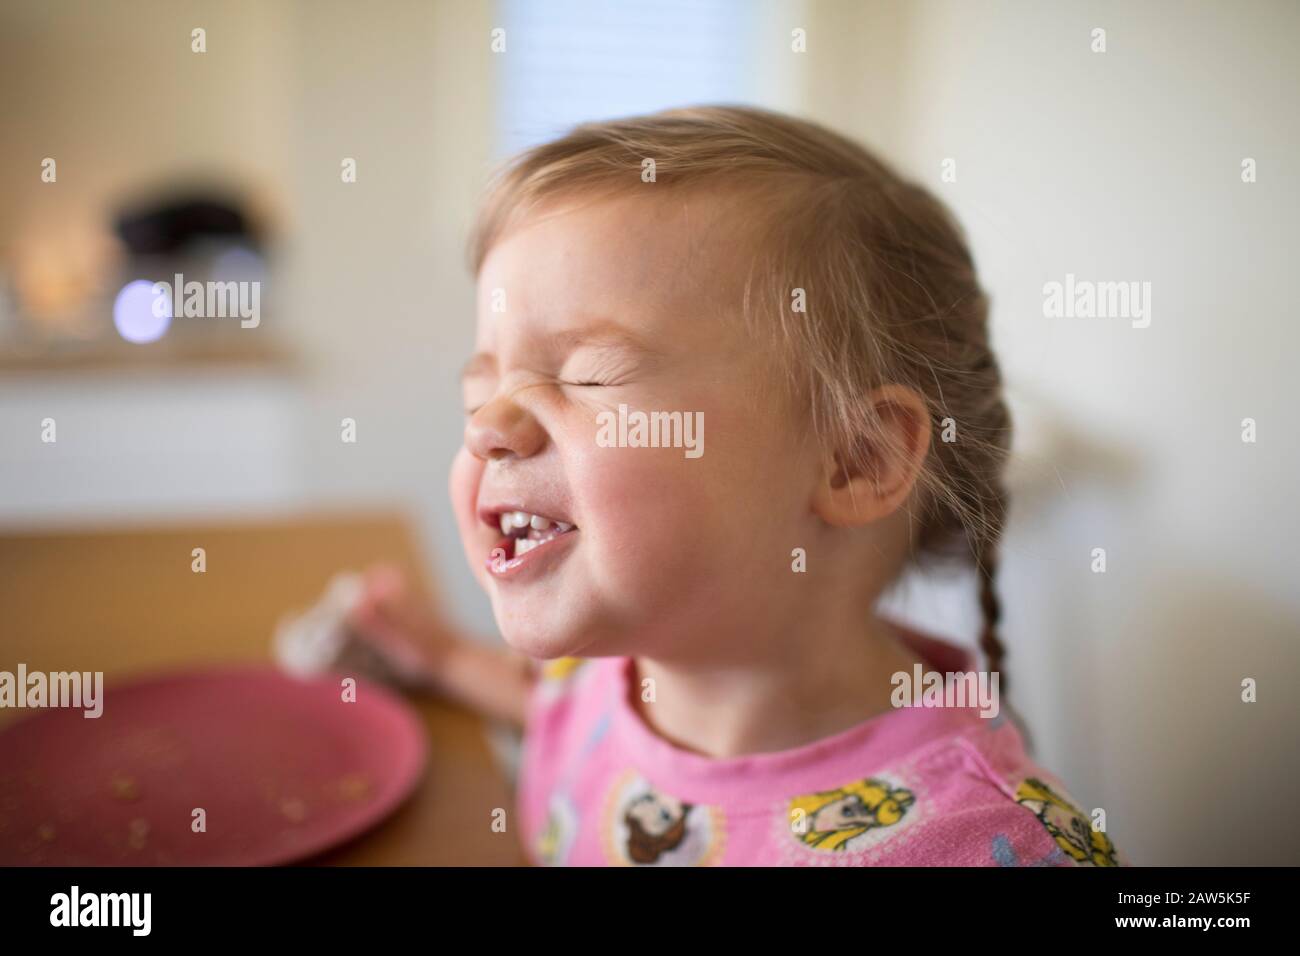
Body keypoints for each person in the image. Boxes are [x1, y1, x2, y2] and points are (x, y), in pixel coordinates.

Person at [349, 105, 1126, 867]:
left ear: (857, 459)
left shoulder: (986, 846)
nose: (488, 425)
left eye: (587, 373)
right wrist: (441, 655)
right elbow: (555, 708)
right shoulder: (601, 674)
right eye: (477, 392)